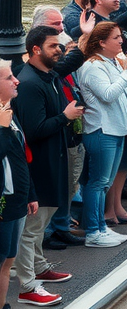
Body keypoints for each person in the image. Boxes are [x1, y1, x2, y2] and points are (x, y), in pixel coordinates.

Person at [12, 26, 85, 305]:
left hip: (54, 158)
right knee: (31, 229)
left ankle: (40, 267)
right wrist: (66, 116)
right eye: (54, 46)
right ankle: (28, 286)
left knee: (40, 225)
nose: (60, 50)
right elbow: (34, 130)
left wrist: (86, 39)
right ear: (35, 50)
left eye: (60, 45)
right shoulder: (30, 83)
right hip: (39, 165)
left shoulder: (50, 74)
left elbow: (70, 61)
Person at [77, 22, 127, 247]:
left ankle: (101, 227)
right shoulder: (92, 66)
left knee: (104, 183)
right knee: (97, 182)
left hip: (116, 129)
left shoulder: (113, 62)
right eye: (115, 38)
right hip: (101, 130)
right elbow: (107, 95)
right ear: (102, 43)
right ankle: (93, 231)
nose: (121, 41)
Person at [0, 60, 35, 309]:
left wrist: (30, 193)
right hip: (2, 203)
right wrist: (2, 129)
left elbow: (20, 156)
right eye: (9, 77)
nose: (16, 80)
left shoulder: (8, 112)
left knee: (7, 260)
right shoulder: (4, 119)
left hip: (16, 198)